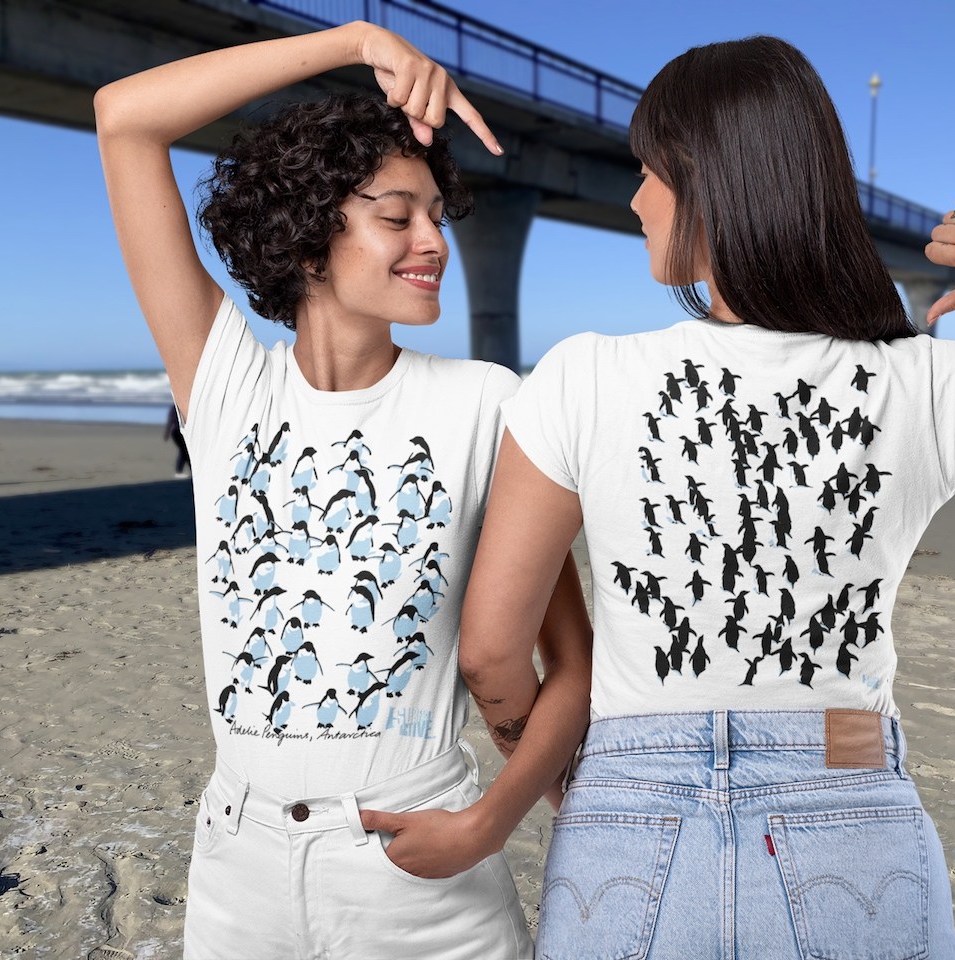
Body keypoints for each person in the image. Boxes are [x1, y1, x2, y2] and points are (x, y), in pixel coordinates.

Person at [424, 35, 955, 958]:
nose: (635, 199)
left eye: (649, 172)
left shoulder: (580, 377)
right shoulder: (922, 384)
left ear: (706, 179)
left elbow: (492, 651)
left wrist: (590, 790)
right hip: (847, 799)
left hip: (626, 814)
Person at [94, 20, 590, 960]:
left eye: (438, 215)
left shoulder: (488, 404)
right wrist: (358, 41)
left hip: (423, 871)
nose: (432, 241)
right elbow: (125, 119)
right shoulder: (226, 383)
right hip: (236, 867)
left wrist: (490, 823)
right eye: (397, 217)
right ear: (309, 238)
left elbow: (570, 661)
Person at [164, 404, 191, 477]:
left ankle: (182, 470)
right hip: (177, 432)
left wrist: (167, 433)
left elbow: (170, 421)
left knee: (184, 451)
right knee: (184, 451)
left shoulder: (175, 407)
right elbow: (171, 421)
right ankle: (179, 471)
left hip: (176, 431)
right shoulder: (179, 407)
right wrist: (166, 433)